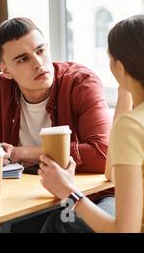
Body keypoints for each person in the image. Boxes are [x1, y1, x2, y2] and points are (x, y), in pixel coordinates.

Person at [0, 17, 114, 232]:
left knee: (71, 224)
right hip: (29, 193)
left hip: (91, 195)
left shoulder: (81, 82)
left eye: (40, 51)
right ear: (6, 71)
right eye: (23, 59)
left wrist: (19, 153)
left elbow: (102, 154)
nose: (38, 63)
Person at [39, 15, 143, 233]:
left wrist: (69, 192)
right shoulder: (132, 122)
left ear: (120, 68)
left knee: (59, 223)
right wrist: (126, 91)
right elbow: (112, 174)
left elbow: (125, 231)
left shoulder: (131, 126)